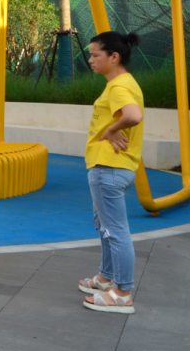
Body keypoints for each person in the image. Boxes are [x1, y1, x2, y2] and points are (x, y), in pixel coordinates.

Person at [78, 32, 143, 315]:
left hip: (110, 167)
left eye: (95, 55)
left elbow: (133, 115)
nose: (90, 60)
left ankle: (122, 294)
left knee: (115, 231)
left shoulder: (119, 86)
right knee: (105, 226)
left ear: (114, 57)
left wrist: (112, 129)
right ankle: (106, 278)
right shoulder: (122, 83)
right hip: (111, 167)